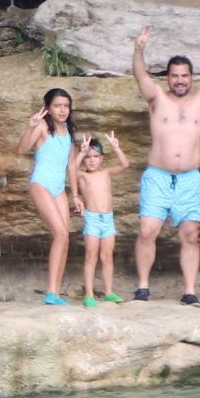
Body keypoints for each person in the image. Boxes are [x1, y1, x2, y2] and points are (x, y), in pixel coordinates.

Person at [130, 24, 200, 305]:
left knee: (191, 235)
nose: (180, 80)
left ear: (192, 78)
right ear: (168, 77)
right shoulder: (156, 98)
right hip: (157, 175)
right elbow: (140, 75)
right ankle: (142, 288)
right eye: (175, 76)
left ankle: (190, 291)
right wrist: (139, 50)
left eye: (185, 76)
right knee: (147, 230)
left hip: (190, 178)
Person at [17, 87, 80, 305]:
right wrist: (30, 127)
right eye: (57, 106)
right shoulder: (43, 127)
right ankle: (51, 293)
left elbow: (71, 164)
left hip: (59, 188)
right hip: (41, 184)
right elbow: (21, 149)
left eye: (66, 106)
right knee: (60, 233)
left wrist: (76, 196)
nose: (62, 110)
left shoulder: (70, 130)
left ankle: (55, 292)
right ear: (48, 108)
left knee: (65, 237)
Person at [71, 131, 131, 306]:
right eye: (88, 157)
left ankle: (108, 292)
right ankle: (89, 294)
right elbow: (71, 168)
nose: (91, 160)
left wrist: (116, 147)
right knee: (91, 256)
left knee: (107, 257)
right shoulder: (82, 175)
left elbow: (125, 164)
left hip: (108, 219)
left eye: (96, 156)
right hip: (92, 218)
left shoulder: (106, 173)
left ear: (102, 158)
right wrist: (81, 151)